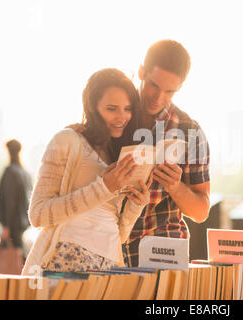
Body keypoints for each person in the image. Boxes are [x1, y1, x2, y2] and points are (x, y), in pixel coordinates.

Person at [22, 68, 152, 275]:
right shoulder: (67, 140)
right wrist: (104, 188)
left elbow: (118, 235)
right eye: (112, 109)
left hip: (110, 265)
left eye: (127, 109)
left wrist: (135, 206)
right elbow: (38, 214)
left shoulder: (119, 153)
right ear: (92, 107)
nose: (122, 117)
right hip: (65, 260)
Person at [123, 39, 211, 267]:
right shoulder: (113, 114)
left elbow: (201, 211)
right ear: (141, 72)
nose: (158, 97)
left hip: (162, 256)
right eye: (153, 85)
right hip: (109, 249)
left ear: (180, 88)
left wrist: (175, 186)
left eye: (169, 91)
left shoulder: (189, 131)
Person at [0, 139, 33, 251]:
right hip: (23, 222)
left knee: (10, 258)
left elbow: (9, 201)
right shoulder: (25, 173)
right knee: (20, 255)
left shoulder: (10, 172)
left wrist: (6, 225)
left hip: (12, 224)